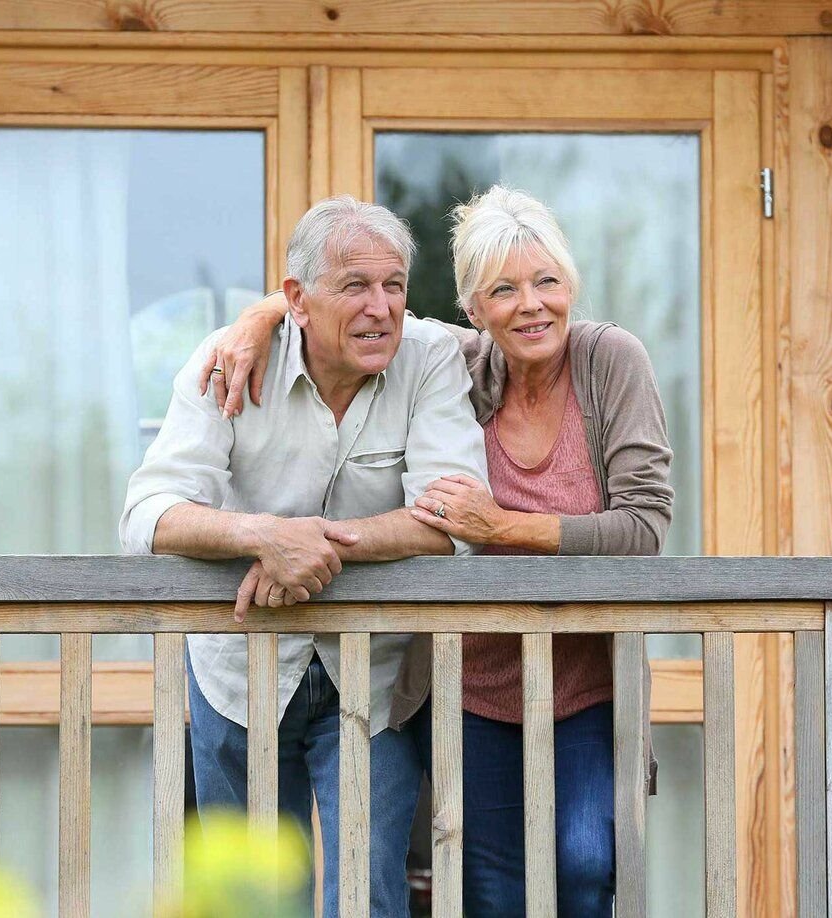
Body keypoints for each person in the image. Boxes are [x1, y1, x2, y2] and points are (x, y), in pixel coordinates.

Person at [209, 185, 673, 917]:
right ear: (472, 309)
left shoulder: (609, 360)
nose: (532, 305)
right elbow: (346, 310)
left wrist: (501, 528)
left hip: (585, 683)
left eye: (548, 281)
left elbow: (643, 529)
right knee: (490, 892)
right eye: (505, 289)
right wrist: (259, 317)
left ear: (570, 285)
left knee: (588, 871)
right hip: (471, 687)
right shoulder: (450, 361)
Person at [119, 195, 490, 918]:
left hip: (373, 675)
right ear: (295, 300)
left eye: (394, 286)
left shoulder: (431, 355)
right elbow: (147, 514)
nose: (381, 308)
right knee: (255, 900)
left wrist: (318, 549)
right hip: (236, 669)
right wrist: (262, 535)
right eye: (354, 286)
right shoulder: (225, 361)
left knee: (368, 896)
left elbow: (455, 518)